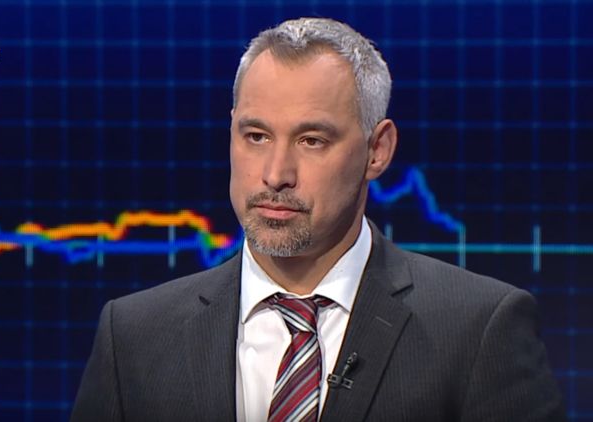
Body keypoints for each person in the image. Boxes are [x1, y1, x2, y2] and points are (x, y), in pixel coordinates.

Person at [71, 17, 565, 421]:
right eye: (256, 136)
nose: (275, 174)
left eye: (312, 141)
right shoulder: (132, 337)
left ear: (377, 150)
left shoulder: (479, 331)